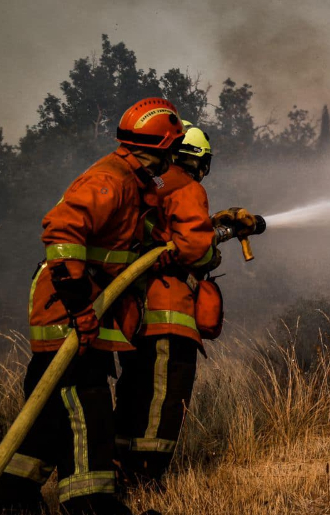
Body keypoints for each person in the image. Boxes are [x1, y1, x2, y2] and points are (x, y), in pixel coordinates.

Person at [0, 98, 184, 515]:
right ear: (165, 147)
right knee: (85, 405)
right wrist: (79, 306)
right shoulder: (109, 180)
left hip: (86, 307)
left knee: (46, 415)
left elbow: (121, 240)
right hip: (68, 308)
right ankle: (91, 504)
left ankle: (11, 500)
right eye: (174, 149)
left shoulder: (134, 183)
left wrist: (156, 250)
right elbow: (61, 234)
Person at [113, 122, 220, 487]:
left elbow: (167, 235)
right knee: (166, 397)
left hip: (133, 315)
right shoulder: (186, 186)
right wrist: (213, 254)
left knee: (133, 393)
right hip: (168, 313)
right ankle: (145, 475)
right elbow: (197, 250)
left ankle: (118, 467)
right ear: (199, 161)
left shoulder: (150, 185)